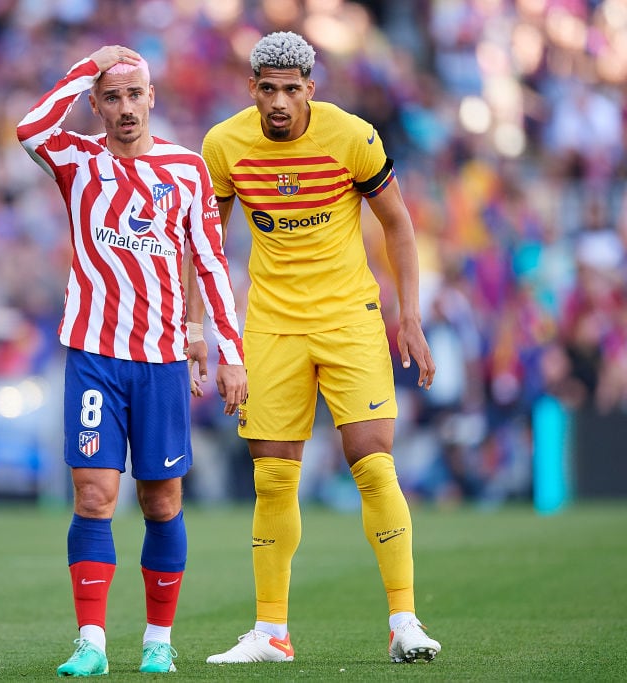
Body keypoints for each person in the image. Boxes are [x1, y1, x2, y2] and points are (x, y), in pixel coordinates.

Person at [191, 31, 441, 665]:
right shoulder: (223, 145)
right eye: (267, 89)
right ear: (251, 88)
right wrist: (203, 332)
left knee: (372, 461)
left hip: (349, 319)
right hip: (271, 325)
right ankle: (271, 632)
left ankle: (404, 620)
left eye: (291, 89)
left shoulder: (351, 137)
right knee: (273, 478)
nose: (279, 102)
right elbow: (207, 249)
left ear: (311, 88)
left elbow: (399, 225)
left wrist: (408, 316)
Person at [17, 45, 247, 676]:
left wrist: (229, 352)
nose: (123, 109)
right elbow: (29, 129)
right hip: (93, 352)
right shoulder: (77, 160)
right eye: (110, 97)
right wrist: (85, 67)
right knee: (93, 495)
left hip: (163, 358)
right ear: (96, 104)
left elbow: (210, 263)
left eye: (133, 95)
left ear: (153, 98)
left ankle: (157, 641)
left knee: (162, 501)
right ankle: (90, 641)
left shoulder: (187, 169)